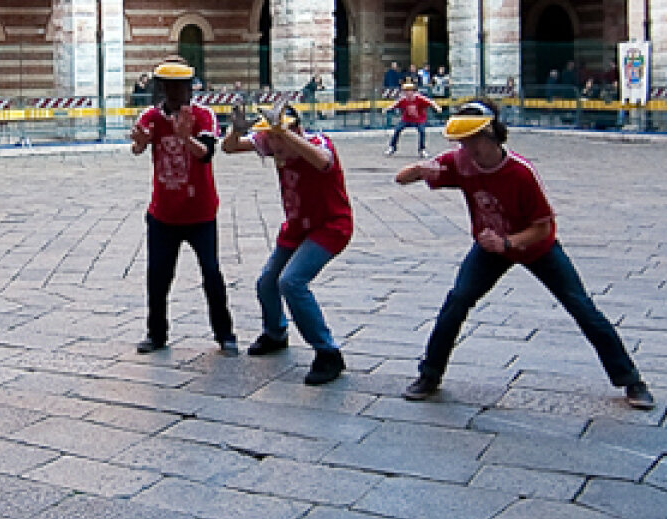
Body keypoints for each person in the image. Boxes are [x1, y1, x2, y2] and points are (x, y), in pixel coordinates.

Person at [393, 99, 655, 410]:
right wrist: (419, 169)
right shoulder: (460, 162)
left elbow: (542, 228)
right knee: (457, 300)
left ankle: (630, 380)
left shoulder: (520, 173)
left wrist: (508, 243)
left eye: (473, 140)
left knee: (581, 307)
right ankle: (429, 375)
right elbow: (402, 178)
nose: (468, 149)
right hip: (490, 248)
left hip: (535, 249)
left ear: (491, 135)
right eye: (462, 142)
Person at [223, 100, 352, 384]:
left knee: (291, 282)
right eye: (269, 138)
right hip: (296, 228)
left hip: (330, 226)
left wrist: (284, 132)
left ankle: (328, 352)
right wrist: (236, 130)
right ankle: (275, 332)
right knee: (267, 282)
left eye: (278, 138)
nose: (273, 145)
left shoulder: (317, 143)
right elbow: (229, 148)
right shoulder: (271, 142)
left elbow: (322, 161)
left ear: (294, 131)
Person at [129, 56, 236, 355]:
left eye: (182, 87)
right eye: (171, 87)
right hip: (163, 213)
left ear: (190, 88)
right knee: (158, 276)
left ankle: (225, 334)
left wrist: (185, 137)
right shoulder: (151, 116)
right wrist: (139, 141)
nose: (177, 94)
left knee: (211, 273)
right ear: (163, 88)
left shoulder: (203, 116)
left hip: (200, 213)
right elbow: (138, 146)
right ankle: (156, 333)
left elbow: (206, 153)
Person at [384, 82, 441, 157]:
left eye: (409, 91)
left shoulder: (420, 98)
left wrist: (437, 107)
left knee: (422, 131)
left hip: (419, 119)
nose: (407, 93)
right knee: (397, 129)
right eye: (405, 91)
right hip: (406, 119)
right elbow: (394, 105)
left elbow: (431, 102)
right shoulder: (403, 99)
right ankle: (392, 147)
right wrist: (387, 109)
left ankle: (422, 150)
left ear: (414, 92)